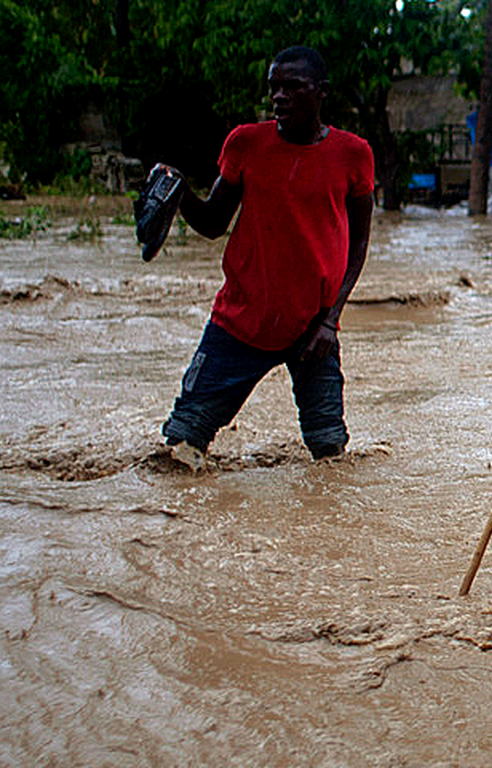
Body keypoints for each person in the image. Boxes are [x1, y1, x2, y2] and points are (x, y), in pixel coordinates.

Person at [157, 46, 375, 468]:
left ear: (321, 92)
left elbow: (360, 244)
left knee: (330, 455)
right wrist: (179, 191)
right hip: (240, 321)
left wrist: (330, 321)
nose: (279, 97)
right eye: (274, 88)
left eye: (292, 87)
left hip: (313, 328)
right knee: (180, 449)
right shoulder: (246, 144)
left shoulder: (353, 155)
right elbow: (213, 223)